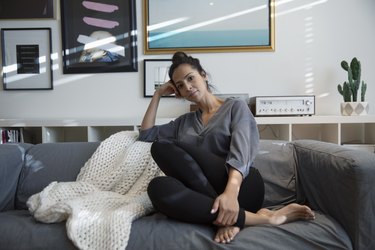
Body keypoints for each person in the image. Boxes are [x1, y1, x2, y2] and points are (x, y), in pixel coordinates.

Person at [138, 51, 315, 244]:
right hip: (206, 196)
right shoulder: (183, 123)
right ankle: (260, 218)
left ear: (203, 75)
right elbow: (146, 134)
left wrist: (230, 193)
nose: (187, 87)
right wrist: (157, 94)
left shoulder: (235, 107)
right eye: (180, 85)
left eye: (191, 78)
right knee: (157, 186)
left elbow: (241, 153)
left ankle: (231, 211)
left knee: (162, 147)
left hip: (242, 187)